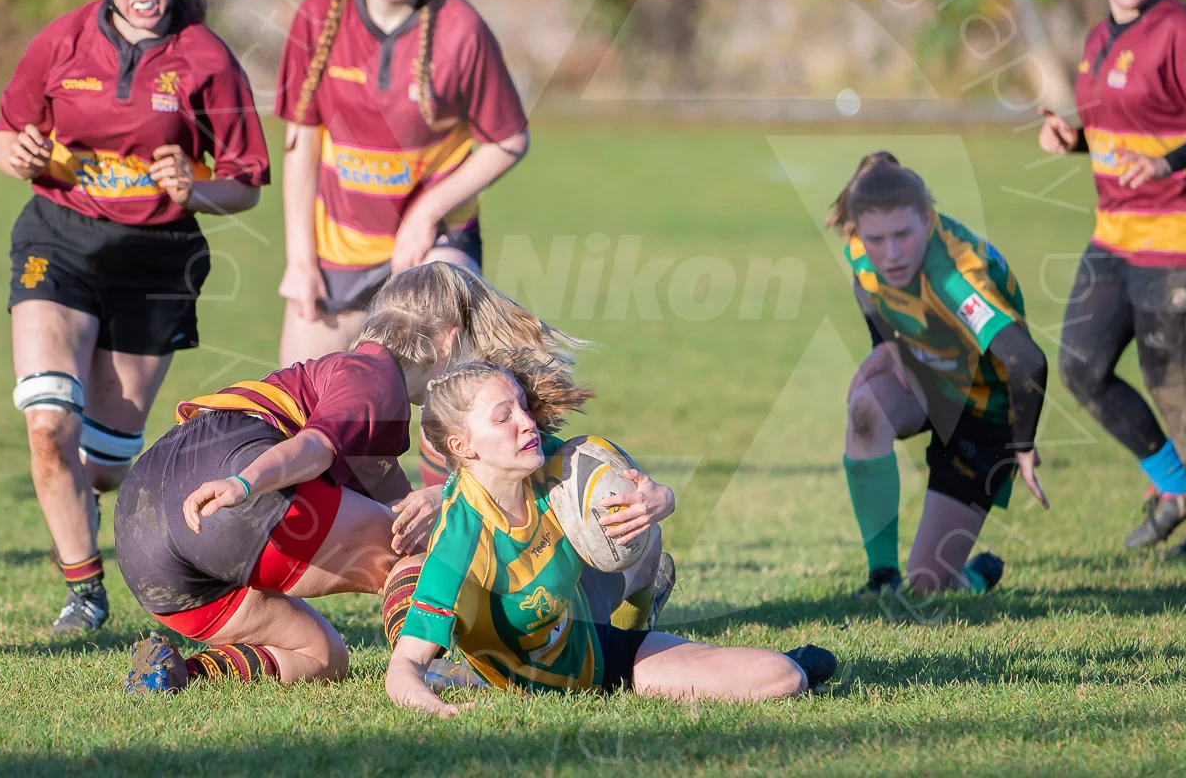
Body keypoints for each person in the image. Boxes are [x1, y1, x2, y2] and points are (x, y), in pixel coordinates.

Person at [0, 0, 270, 634]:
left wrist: (194, 189)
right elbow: (5, 136)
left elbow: (245, 183)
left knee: (109, 465)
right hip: (60, 240)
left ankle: (80, 501)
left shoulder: (206, 58)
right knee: (48, 423)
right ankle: (84, 592)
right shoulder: (60, 42)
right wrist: (19, 154)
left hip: (156, 262)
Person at [118, 263, 585, 693]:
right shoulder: (373, 377)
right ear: (448, 341)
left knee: (323, 657)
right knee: (416, 554)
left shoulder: (364, 395)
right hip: (234, 484)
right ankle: (424, 671)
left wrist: (443, 498)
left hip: (141, 534)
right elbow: (313, 449)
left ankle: (177, 673)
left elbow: (405, 508)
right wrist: (245, 483)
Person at [384, 357, 837, 715]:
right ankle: (466, 674)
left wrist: (661, 499)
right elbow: (402, 668)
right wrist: (433, 708)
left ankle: (638, 622)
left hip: (595, 641)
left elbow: (645, 495)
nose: (526, 422)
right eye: (504, 417)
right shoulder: (460, 542)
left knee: (780, 671)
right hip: (562, 679)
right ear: (462, 446)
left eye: (523, 405)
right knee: (784, 679)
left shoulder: (552, 463)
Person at [1037, 0, 1186, 558]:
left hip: (1183, 234)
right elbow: (1118, 133)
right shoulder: (1098, 39)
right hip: (1116, 234)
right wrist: (1074, 139)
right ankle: (1172, 486)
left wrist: (1163, 163)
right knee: (1081, 368)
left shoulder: (1180, 29)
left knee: (1169, 383)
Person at [274, 0, 529, 369]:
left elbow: (510, 140)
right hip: (340, 246)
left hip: (433, 243)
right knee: (302, 398)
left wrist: (425, 213)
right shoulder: (318, 17)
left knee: (453, 391)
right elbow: (300, 147)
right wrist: (300, 262)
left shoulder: (460, 28)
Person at [829, 153, 1050, 598]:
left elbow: (1027, 360)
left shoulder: (953, 275)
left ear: (927, 218)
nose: (890, 254)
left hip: (986, 407)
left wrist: (1023, 445)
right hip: (929, 380)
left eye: (903, 236)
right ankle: (881, 577)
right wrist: (886, 344)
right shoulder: (862, 245)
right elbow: (863, 279)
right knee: (867, 408)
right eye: (877, 239)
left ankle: (974, 575)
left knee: (928, 584)